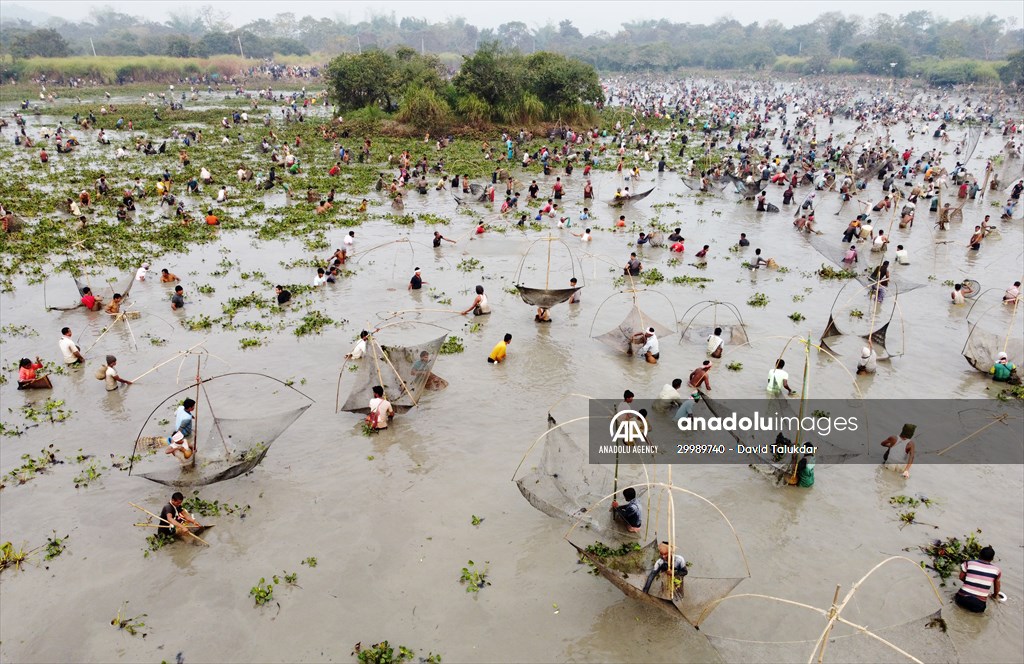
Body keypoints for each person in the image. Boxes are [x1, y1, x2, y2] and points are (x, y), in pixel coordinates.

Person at [955, 546, 1002, 613]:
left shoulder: (968, 563)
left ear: (979, 555)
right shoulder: (997, 570)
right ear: (992, 559)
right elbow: (997, 588)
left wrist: (971, 582)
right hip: (979, 604)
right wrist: (994, 596)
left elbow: (961, 577)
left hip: (962, 598)